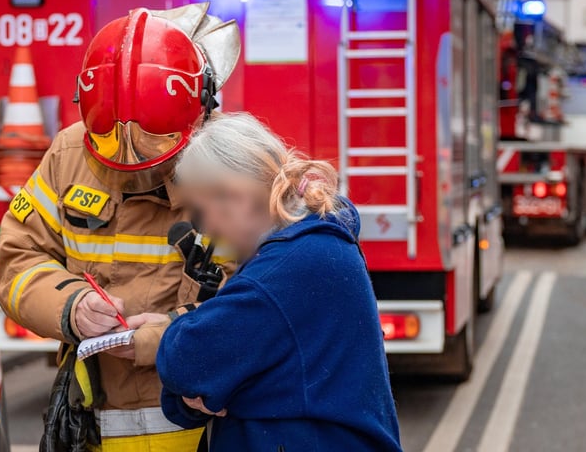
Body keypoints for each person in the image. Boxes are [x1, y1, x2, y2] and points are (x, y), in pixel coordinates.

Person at [0, 3, 240, 451]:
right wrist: (71, 305)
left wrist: (161, 338)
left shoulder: (234, 167)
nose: (131, 166)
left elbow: (259, 301)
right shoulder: (68, 155)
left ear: (199, 114)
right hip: (90, 422)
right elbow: (18, 261)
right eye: (112, 148)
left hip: (203, 428)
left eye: (154, 151)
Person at [156, 113, 402, 452]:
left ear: (234, 196)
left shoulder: (282, 270)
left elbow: (184, 361)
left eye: (202, 210)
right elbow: (197, 387)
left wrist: (198, 372)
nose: (206, 228)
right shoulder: (312, 242)